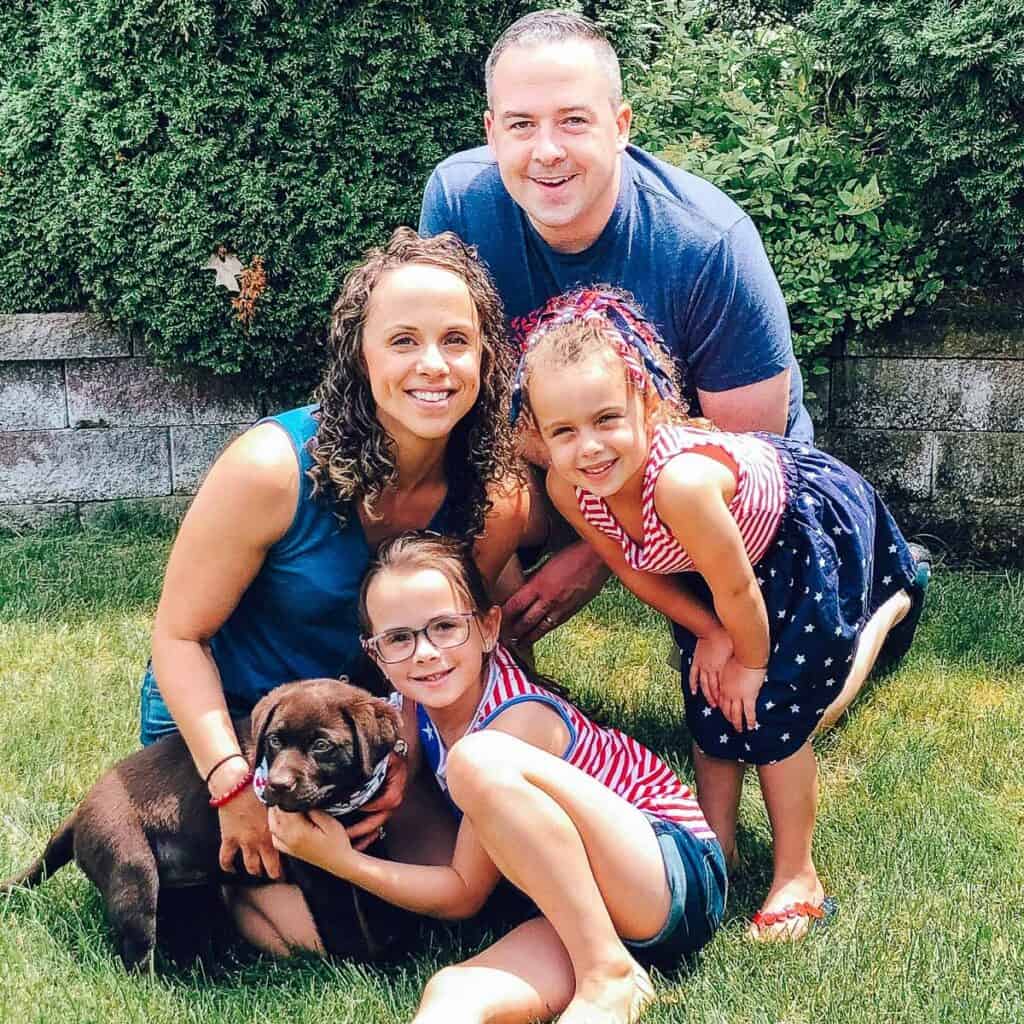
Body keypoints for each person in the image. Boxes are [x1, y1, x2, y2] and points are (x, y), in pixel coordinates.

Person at [140, 227, 538, 952]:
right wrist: (234, 785)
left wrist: (401, 763)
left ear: (487, 355)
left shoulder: (496, 494)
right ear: (361, 354)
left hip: (357, 733)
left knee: (469, 893)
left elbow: (438, 656)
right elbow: (178, 636)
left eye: (457, 339)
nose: (433, 365)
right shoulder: (270, 467)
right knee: (356, 935)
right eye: (403, 341)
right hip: (233, 731)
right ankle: (199, 879)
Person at [513, 287, 928, 940]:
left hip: (788, 538)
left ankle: (798, 872)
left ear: (646, 405)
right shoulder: (571, 487)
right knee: (707, 697)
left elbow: (738, 590)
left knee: (776, 710)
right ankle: (718, 844)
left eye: (606, 420)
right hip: (707, 563)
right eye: (564, 431)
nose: (589, 447)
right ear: (537, 434)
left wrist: (751, 661)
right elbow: (632, 567)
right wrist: (709, 636)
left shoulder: (680, 484)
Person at [419, 9, 813, 645]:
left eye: (574, 120)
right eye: (522, 125)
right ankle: (488, 663)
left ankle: (893, 595)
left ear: (621, 126)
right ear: (492, 134)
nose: (547, 151)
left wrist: (597, 557)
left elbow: (746, 454)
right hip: (563, 452)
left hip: (716, 488)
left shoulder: (709, 244)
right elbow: (446, 379)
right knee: (450, 479)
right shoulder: (460, 202)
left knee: (755, 713)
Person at [268, 532, 726, 1024]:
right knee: (451, 997)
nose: (424, 652)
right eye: (399, 638)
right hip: (570, 909)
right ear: (376, 654)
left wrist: (340, 861)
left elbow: (463, 893)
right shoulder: (408, 713)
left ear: (488, 629)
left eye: (444, 627)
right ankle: (613, 968)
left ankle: (607, 973)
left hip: (667, 873)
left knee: (475, 760)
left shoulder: (519, 718)